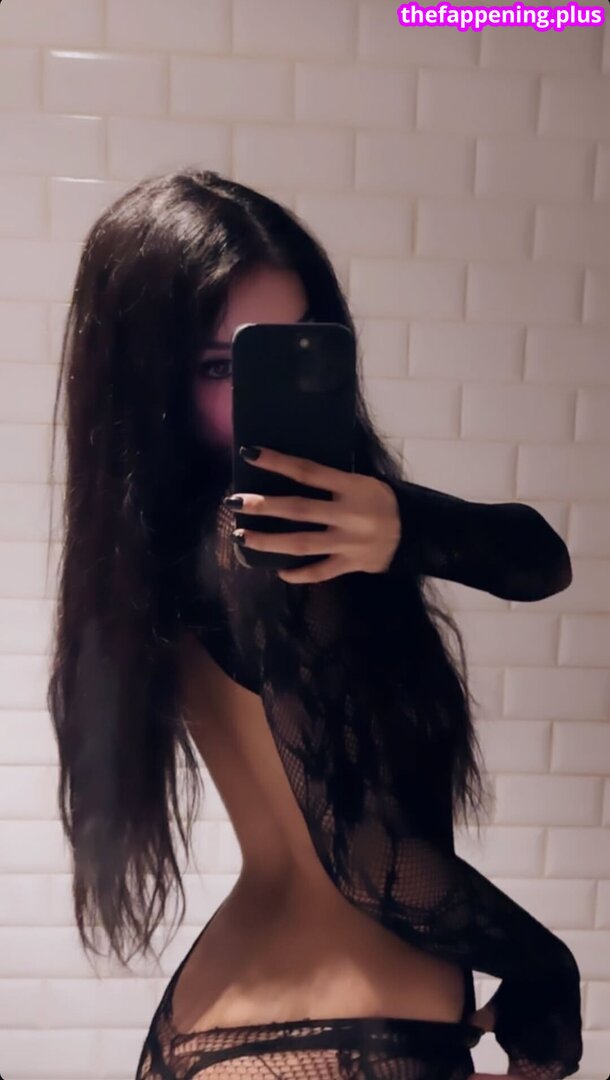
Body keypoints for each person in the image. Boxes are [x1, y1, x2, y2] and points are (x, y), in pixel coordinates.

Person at [46, 168, 582, 1080]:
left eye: (296, 348)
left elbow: (539, 559)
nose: (265, 395)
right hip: (353, 1013)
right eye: (221, 367)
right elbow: (376, 861)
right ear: (152, 379)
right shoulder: (261, 549)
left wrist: (401, 523)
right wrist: (547, 971)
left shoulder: (148, 544)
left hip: (224, 1002)